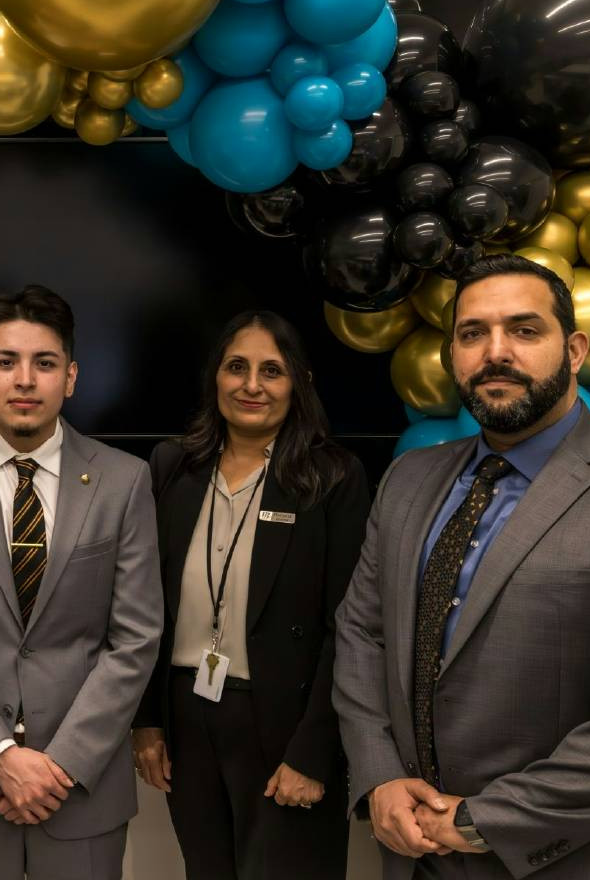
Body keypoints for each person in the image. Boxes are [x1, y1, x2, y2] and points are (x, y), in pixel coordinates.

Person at [334, 254, 590, 878]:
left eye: (525, 330)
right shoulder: (407, 478)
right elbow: (362, 635)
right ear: (451, 355)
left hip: (578, 859)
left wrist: (482, 822)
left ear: (574, 350)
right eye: (472, 333)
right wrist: (380, 775)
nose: (495, 352)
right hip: (413, 853)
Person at [0, 285, 163, 880]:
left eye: (44, 363)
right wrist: (2, 756)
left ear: (70, 377)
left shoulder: (125, 482)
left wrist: (59, 765)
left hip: (80, 789)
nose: (25, 379)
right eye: (5, 362)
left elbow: (135, 637)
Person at [131, 311, 369, 879]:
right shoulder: (174, 466)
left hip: (286, 721)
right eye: (237, 367)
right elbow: (141, 605)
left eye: (272, 371)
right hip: (189, 717)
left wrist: (313, 752)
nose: (252, 385)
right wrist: (147, 723)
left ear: (300, 385)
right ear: (216, 377)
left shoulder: (332, 477)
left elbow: (352, 629)